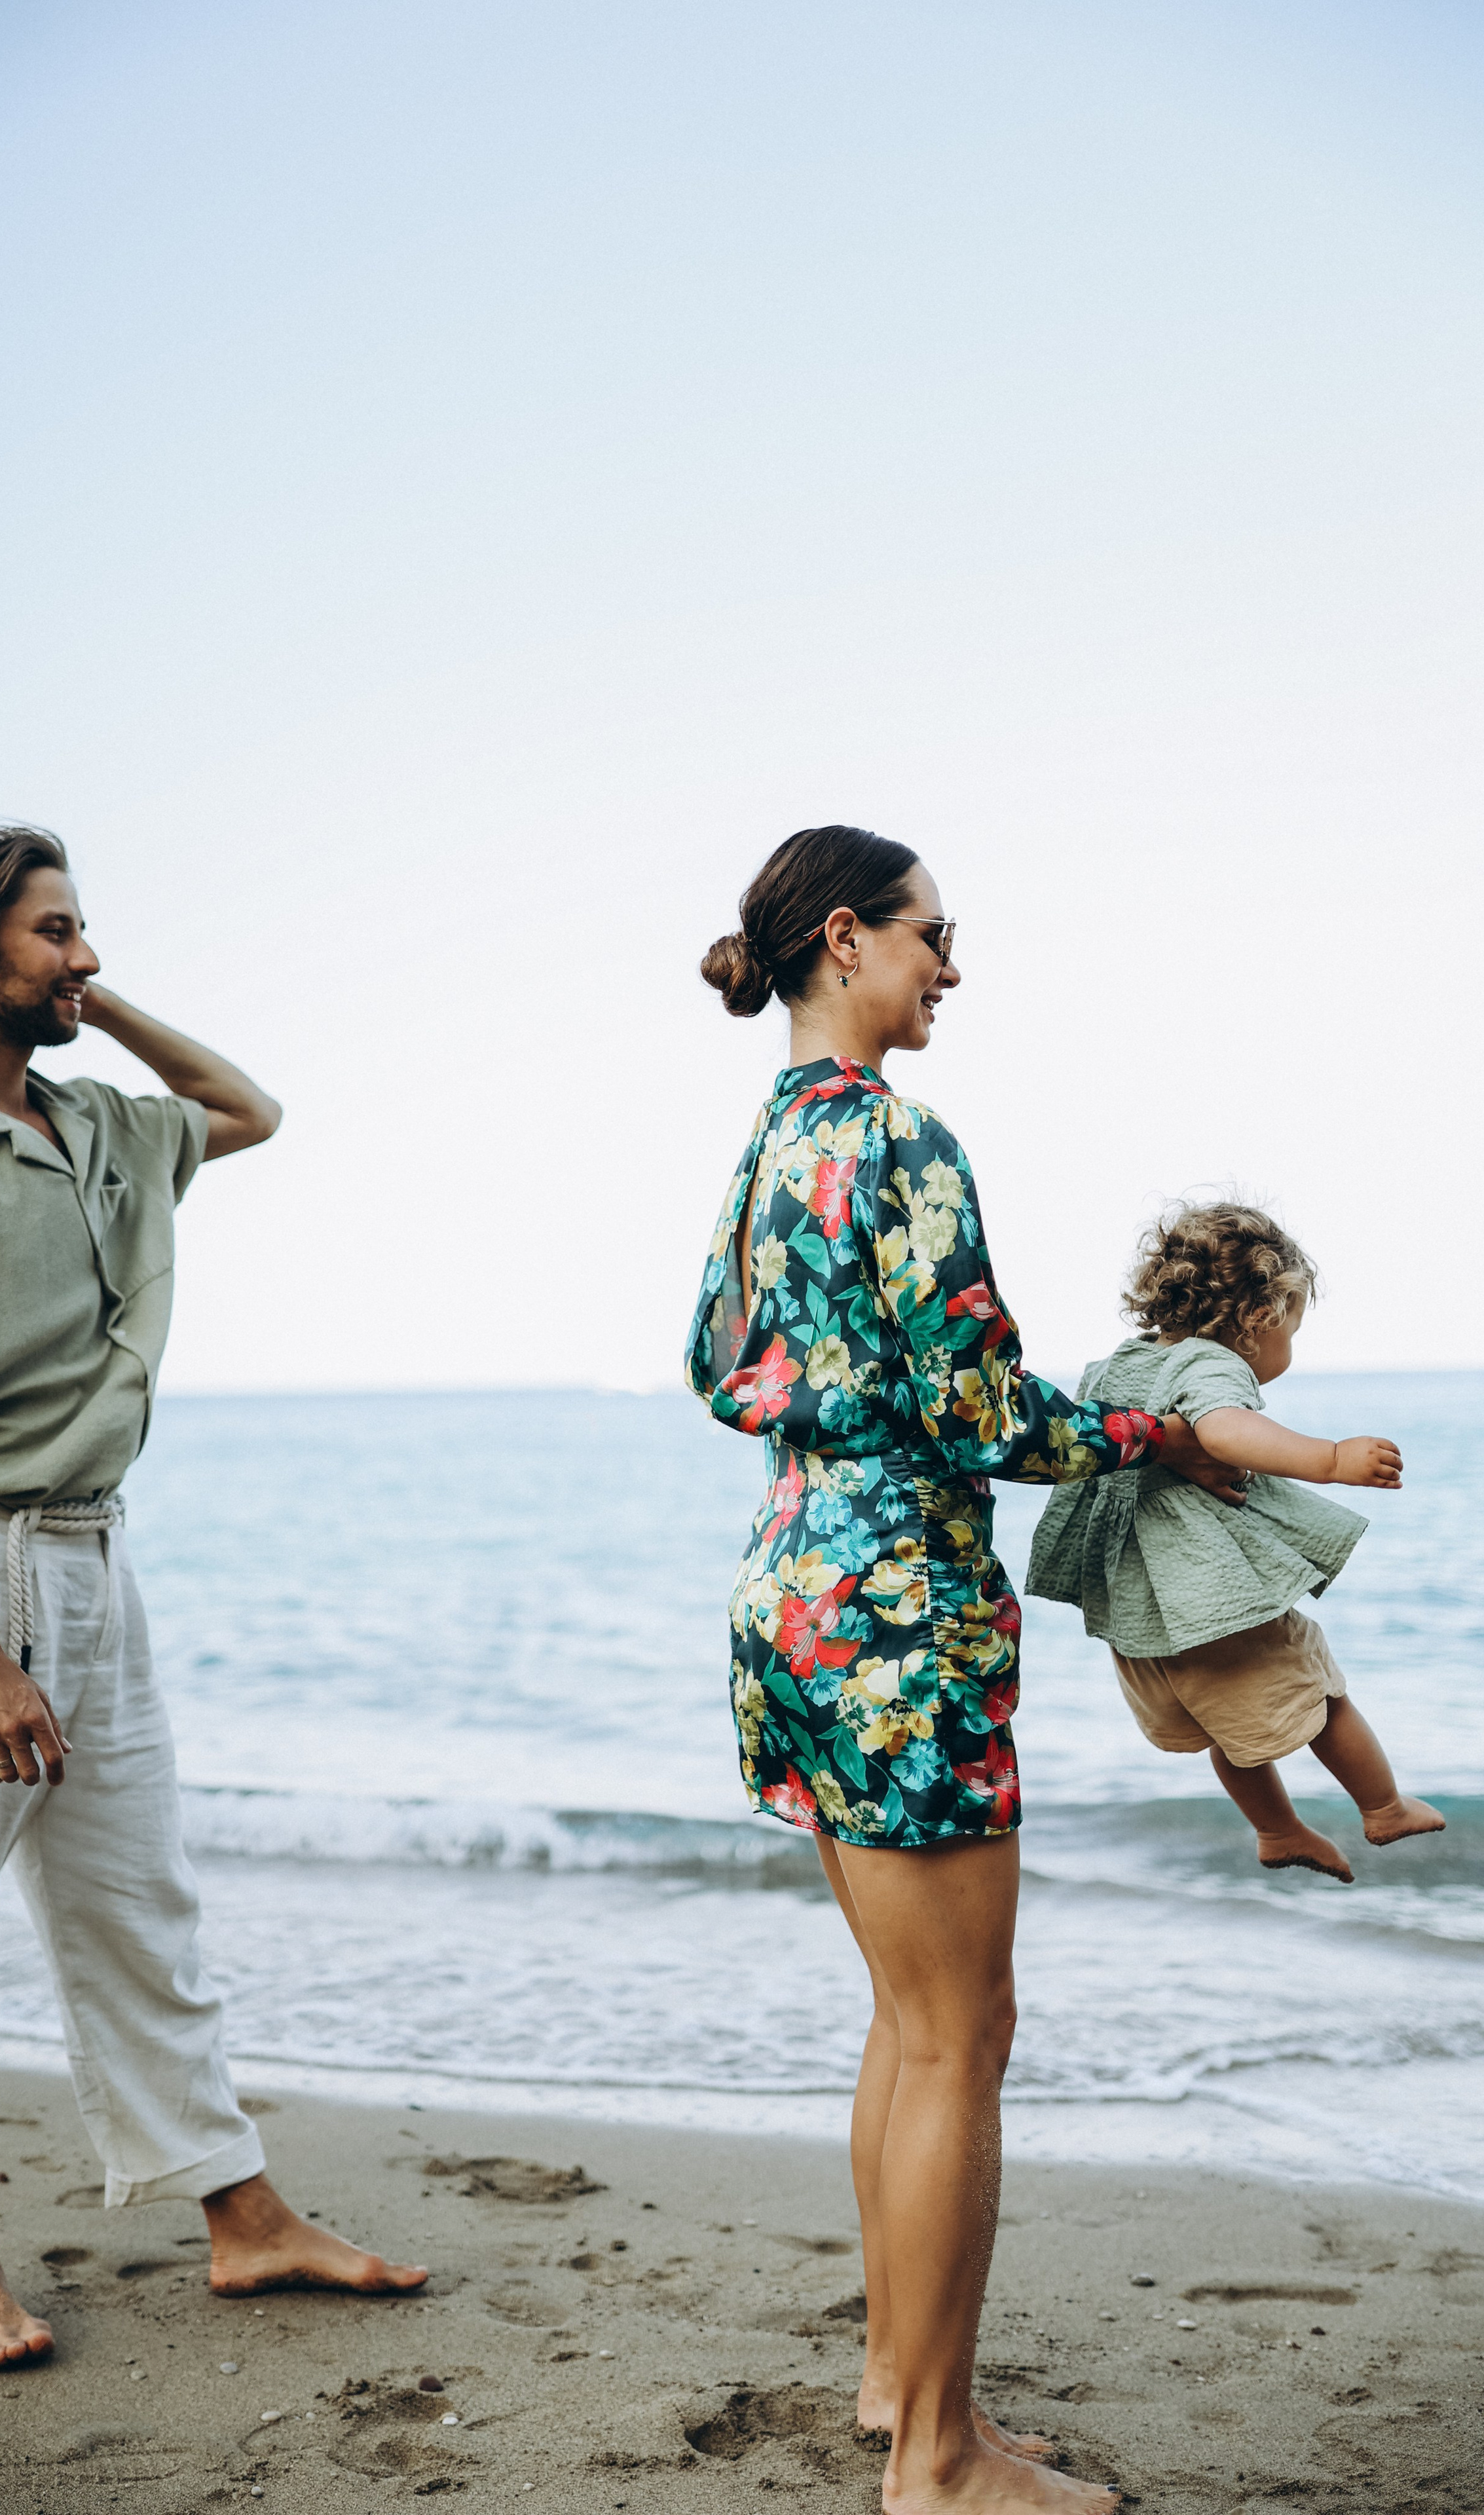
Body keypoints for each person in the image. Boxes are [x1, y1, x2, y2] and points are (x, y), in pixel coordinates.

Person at [0, 825, 426, 2374]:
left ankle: (241, 2214)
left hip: (95, 1553)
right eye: (54, 932)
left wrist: (105, 998)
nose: (82, 954)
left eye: (84, 931)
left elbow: (247, 1109)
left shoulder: (99, 1128)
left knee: (137, 1907)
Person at [687, 825, 1245, 2515]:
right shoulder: (898, 1136)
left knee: (905, 2016)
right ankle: (936, 2453)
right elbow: (990, 1415)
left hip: (787, 1585)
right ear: (845, 938)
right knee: (958, 2031)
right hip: (896, 1616)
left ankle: (890, 2377)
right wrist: (1170, 1428)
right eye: (936, 934)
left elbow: (717, 1363)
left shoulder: (764, 1147)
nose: (951, 964)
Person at [1026, 1201, 1444, 1882]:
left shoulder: (1114, 1366)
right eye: (1292, 1327)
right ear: (1259, 1319)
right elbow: (1222, 1428)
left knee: (1231, 1727)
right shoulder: (1212, 1365)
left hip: (1141, 1614)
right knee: (1320, 1691)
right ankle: (1384, 1807)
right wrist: (1331, 1459)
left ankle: (1276, 1830)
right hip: (1209, 1596)